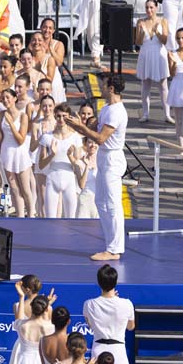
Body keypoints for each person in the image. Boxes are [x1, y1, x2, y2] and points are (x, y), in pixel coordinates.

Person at [65, 74, 128, 261]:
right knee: (100, 201)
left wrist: (81, 127)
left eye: (104, 85)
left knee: (113, 204)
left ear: (111, 88)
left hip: (112, 158)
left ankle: (115, 249)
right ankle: (110, 244)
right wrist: (79, 125)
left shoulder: (117, 112)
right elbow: (94, 129)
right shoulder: (107, 108)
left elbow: (100, 138)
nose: (101, 88)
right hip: (104, 157)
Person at [84, 265, 134, 364]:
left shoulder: (89, 304)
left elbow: (90, 325)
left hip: (98, 351)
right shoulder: (127, 304)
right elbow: (131, 327)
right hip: (119, 352)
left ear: (99, 282)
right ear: (115, 282)